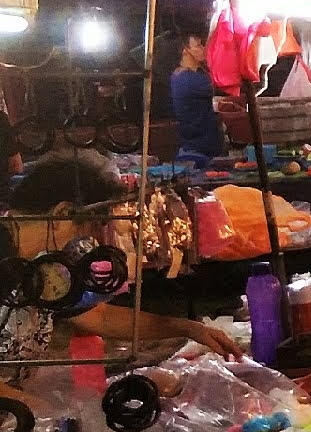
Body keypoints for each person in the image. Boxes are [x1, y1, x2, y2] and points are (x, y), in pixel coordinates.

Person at [2, 157, 244, 389]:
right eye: (89, 228)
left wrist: (188, 328)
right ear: (63, 214)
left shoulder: (42, 264)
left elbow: (100, 318)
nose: (86, 239)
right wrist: (41, 414)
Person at [170, 31, 222, 159]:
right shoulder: (185, 79)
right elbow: (222, 85)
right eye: (198, 46)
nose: (203, 49)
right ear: (185, 50)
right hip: (196, 152)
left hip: (208, 148)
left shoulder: (196, 74)